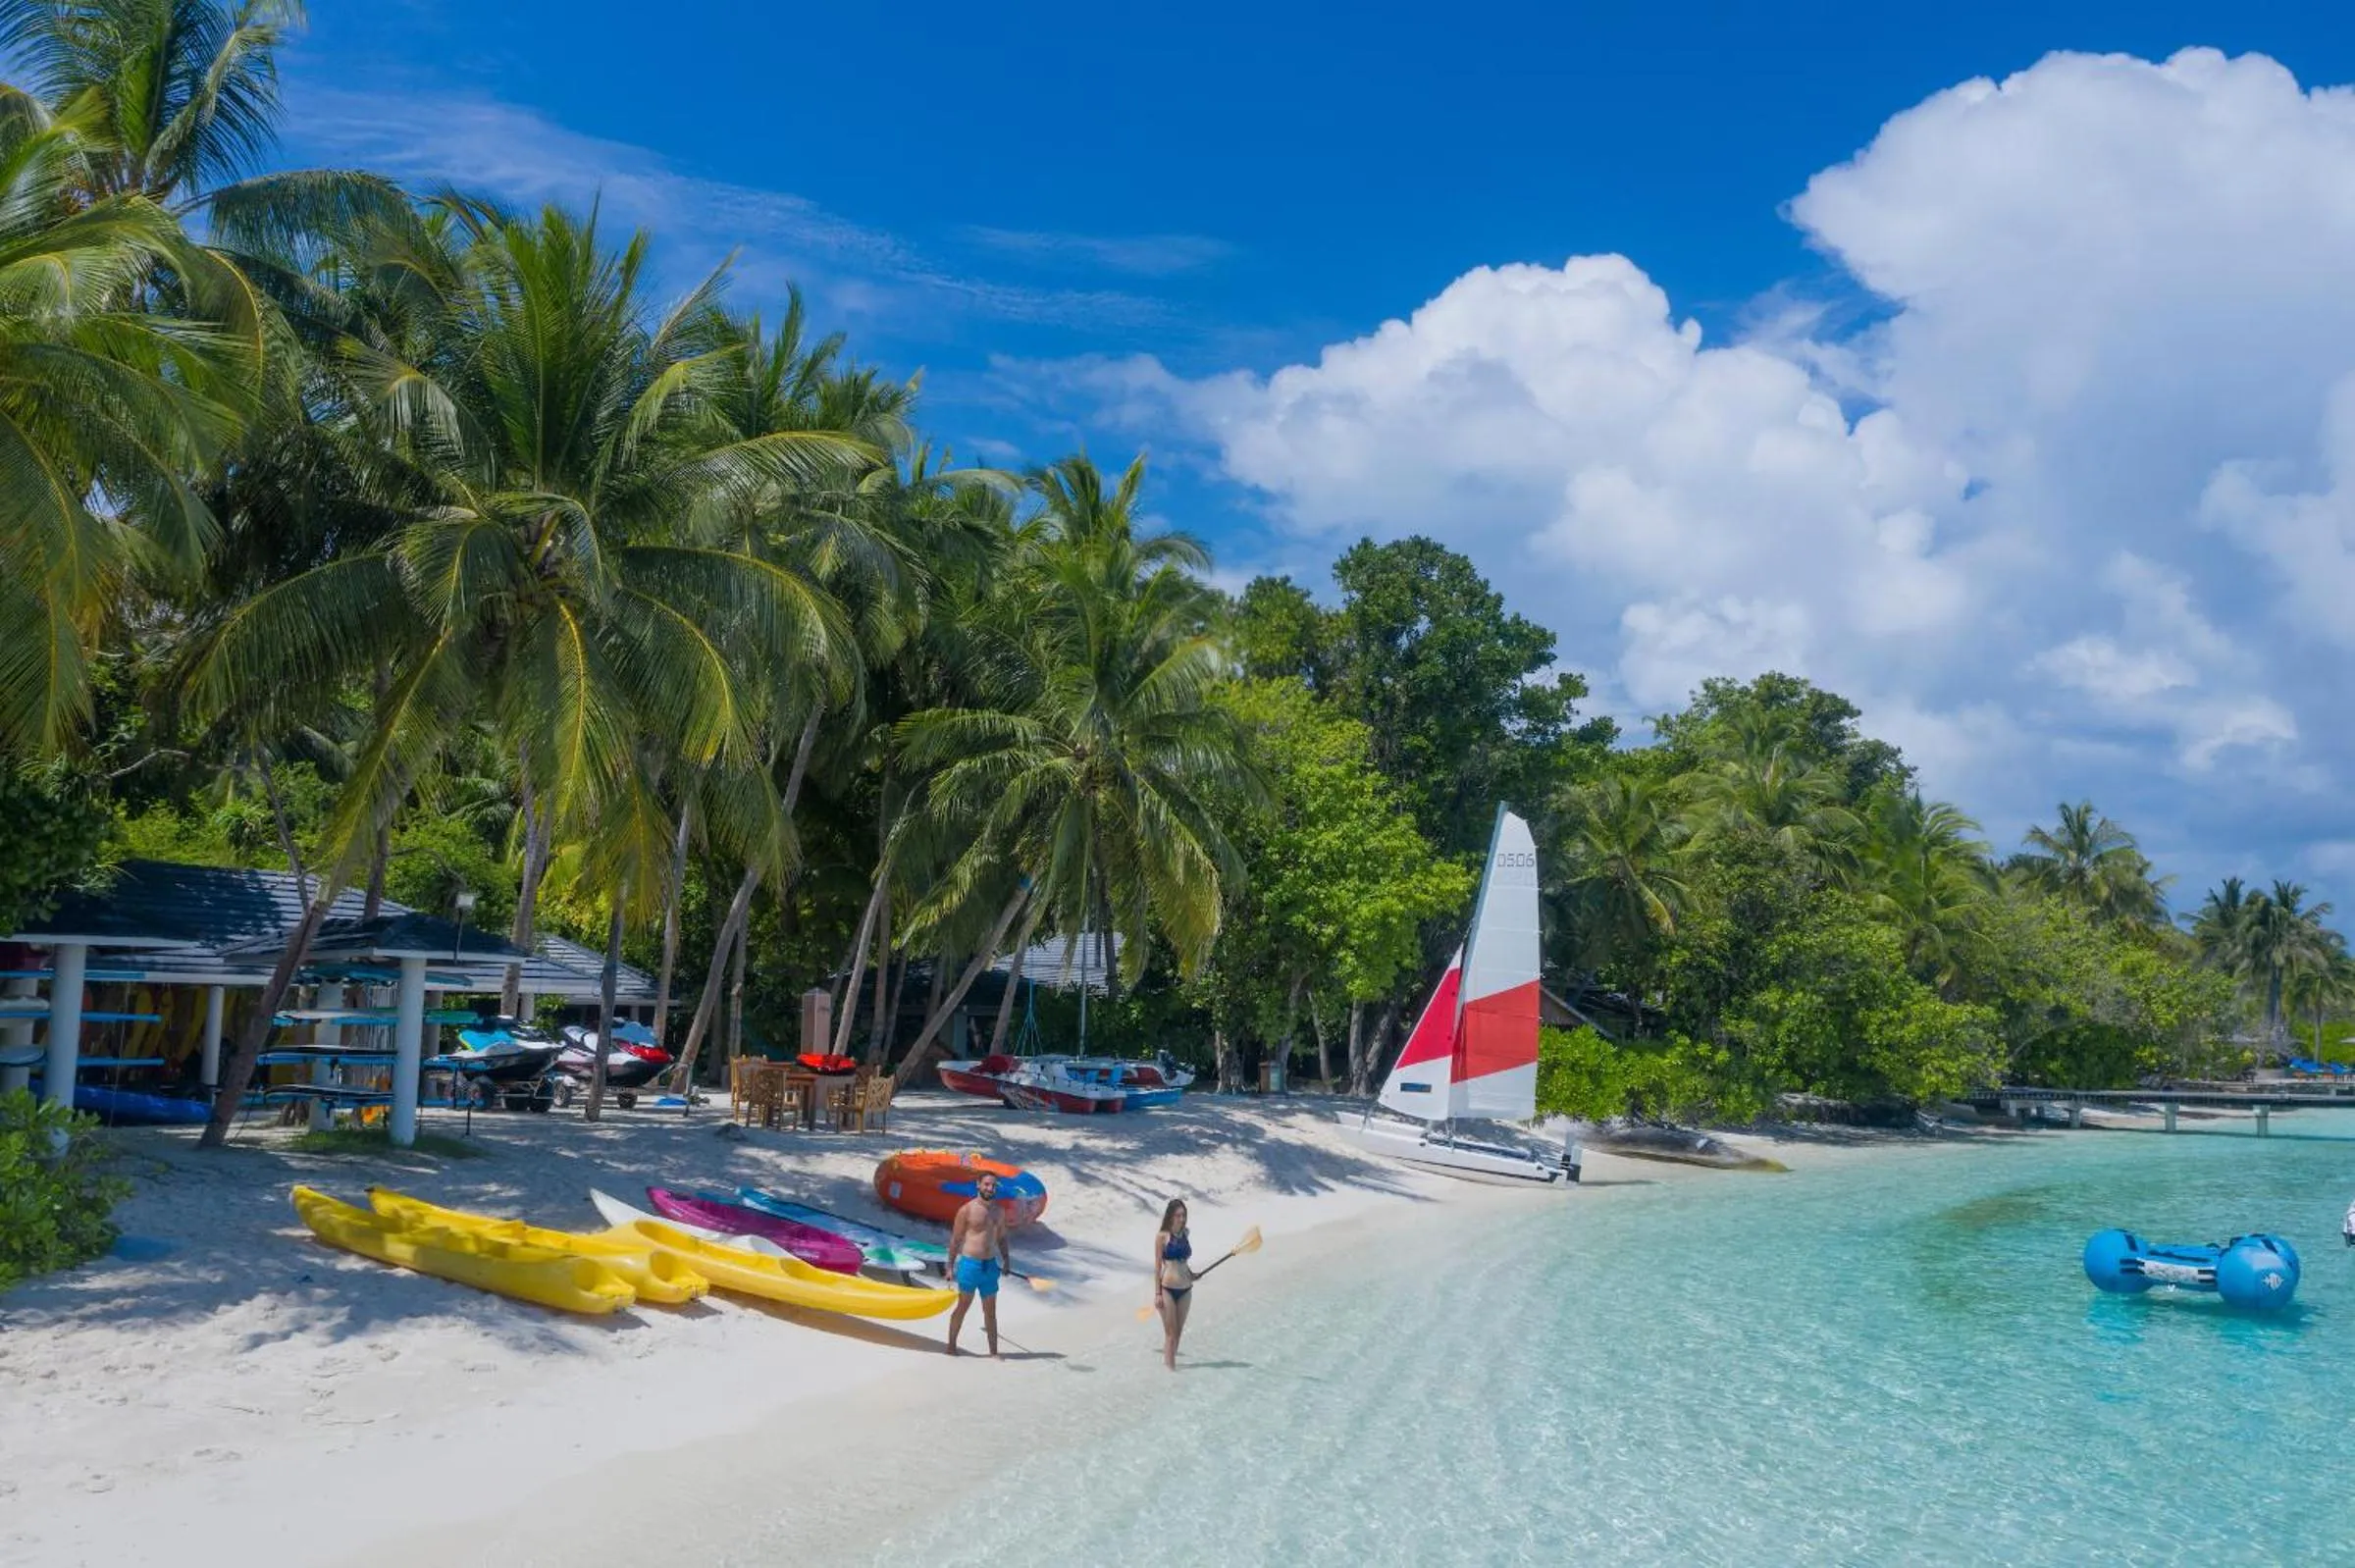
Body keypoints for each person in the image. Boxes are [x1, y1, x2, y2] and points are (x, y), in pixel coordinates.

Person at [947, 1171, 1011, 1357]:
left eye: (993, 1185)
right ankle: (951, 1346)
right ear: (978, 1185)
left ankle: (993, 1352)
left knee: (990, 1312)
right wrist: (950, 1267)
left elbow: (1002, 1238)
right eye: (987, 1184)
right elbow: (955, 1240)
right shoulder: (967, 1210)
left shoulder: (999, 1211)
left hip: (990, 1266)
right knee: (963, 1307)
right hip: (970, 1265)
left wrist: (1006, 1259)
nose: (990, 1188)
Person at [1152, 1197, 1194, 1371]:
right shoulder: (1162, 1237)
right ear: (1170, 1216)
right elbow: (1157, 1267)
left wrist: (1192, 1274)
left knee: (1178, 1333)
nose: (1181, 1219)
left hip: (1186, 1288)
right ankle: (1170, 1372)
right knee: (1170, 1334)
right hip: (1168, 1288)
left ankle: (1169, 1365)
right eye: (1178, 1215)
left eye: (1183, 1215)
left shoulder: (1186, 1233)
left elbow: (1184, 1262)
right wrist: (1157, 1294)